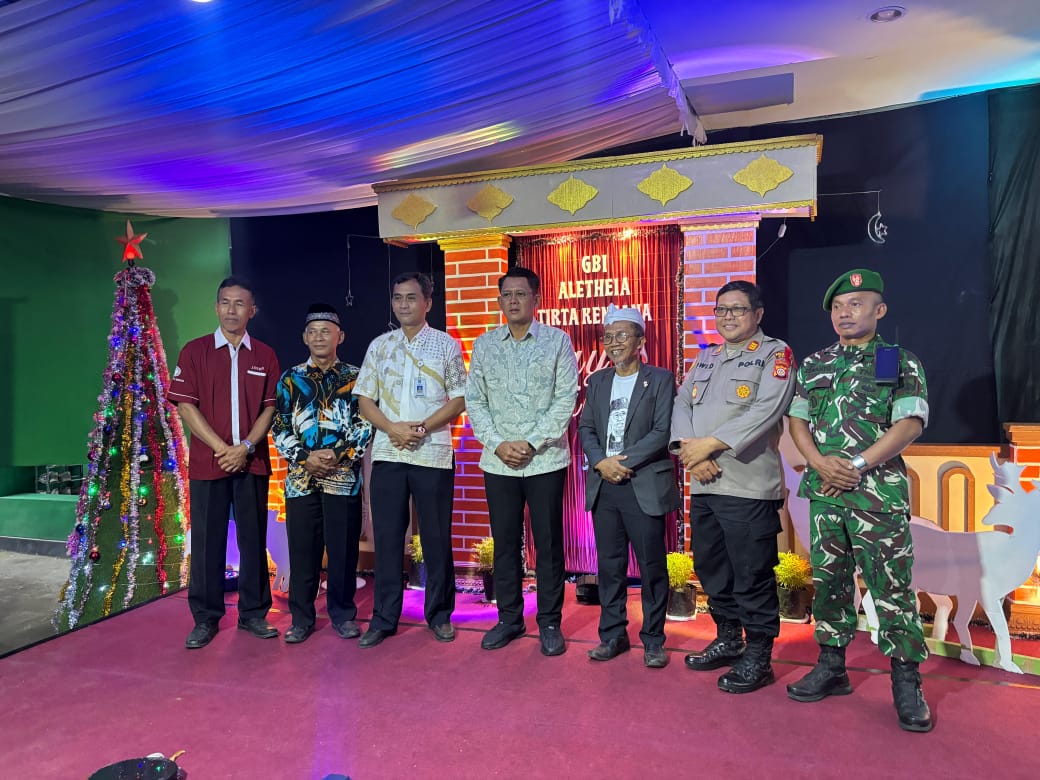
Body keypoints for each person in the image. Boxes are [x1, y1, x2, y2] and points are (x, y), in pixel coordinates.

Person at [786, 268, 932, 733]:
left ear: (879, 310)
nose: (844, 313)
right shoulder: (815, 364)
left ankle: (906, 681)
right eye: (837, 307)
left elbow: (909, 424)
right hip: (827, 493)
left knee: (891, 588)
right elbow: (797, 422)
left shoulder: (896, 361)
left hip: (875, 494)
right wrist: (819, 463)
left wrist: (855, 464)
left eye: (855, 304)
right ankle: (832, 667)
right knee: (829, 583)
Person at [669, 280, 795, 693]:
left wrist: (709, 445)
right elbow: (681, 403)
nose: (727, 317)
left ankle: (759, 655)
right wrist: (691, 451)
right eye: (721, 309)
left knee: (751, 573)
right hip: (706, 484)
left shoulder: (775, 354)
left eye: (737, 309)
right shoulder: (707, 358)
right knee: (712, 569)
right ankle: (728, 638)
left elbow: (766, 410)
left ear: (757, 314)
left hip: (748, 486)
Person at [466, 266, 578, 656]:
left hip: (545, 460)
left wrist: (530, 443)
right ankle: (509, 619)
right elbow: (475, 401)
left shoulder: (557, 341)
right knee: (505, 543)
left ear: (536, 299)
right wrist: (498, 444)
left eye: (521, 294)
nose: (513, 301)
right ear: (500, 301)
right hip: (498, 462)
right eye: (507, 295)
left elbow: (566, 398)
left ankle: (549, 621)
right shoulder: (484, 345)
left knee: (548, 543)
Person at [354, 272, 466, 648]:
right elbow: (365, 399)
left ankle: (440, 615)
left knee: (436, 538)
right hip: (388, 453)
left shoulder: (446, 345)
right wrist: (392, 428)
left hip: (432, 453)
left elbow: (459, 398)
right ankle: (384, 618)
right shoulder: (380, 346)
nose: (403, 304)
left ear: (427, 303)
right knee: (387, 539)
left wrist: (420, 428)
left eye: (411, 298)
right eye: (398, 298)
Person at [169, 277, 281, 649]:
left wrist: (245, 447)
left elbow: (269, 409)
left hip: (251, 462)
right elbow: (186, 407)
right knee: (207, 543)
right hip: (209, 462)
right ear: (216, 307)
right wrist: (223, 448)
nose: (232, 310)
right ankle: (205, 618)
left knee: (253, 540)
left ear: (253, 311)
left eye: (240, 304)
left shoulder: (264, 355)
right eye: (226, 302)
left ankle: (253, 614)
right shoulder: (194, 351)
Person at [578, 304, 679, 668]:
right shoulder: (598, 381)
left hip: (641, 482)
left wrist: (622, 462)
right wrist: (601, 462)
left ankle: (653, 639)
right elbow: (586, 428)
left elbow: (662, 431)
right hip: (605, 485)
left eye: (622, 335)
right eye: (608, 336)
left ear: (640, 341)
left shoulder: (661, 379)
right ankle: (612, 635)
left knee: (652, 566)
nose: (614, 342)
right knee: (609, 565)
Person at [272, 303, 373, 644]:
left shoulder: (356, 377)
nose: (319, 337)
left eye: (326, 331)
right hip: (301, 481)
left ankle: (343, 615)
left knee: (343, 552)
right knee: (303, 552)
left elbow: (365, 424)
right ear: (304, 337)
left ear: (339, 336)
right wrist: (305, 457)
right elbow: (280, 426)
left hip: (343, 480)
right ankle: (301, 619)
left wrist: (337, 455)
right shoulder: (290, 379)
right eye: (312, 332)